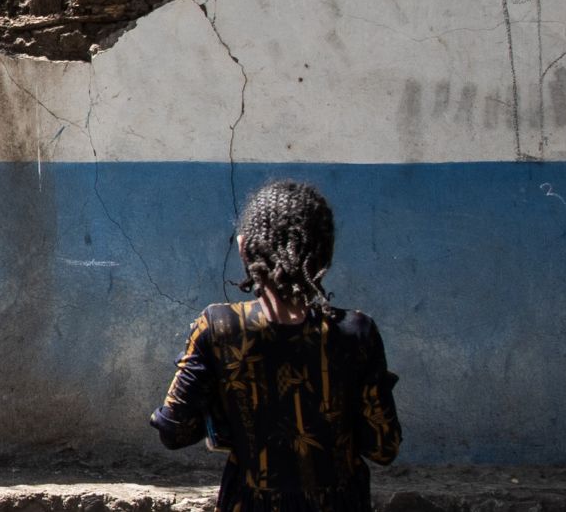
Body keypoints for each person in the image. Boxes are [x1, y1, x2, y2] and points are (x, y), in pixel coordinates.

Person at [149, 181, 402, 511]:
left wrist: (222, 408)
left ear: (245, 248)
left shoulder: (219, 326)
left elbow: (173, 432)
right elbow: (384, 447)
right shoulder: (356, 331)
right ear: (324, 254)